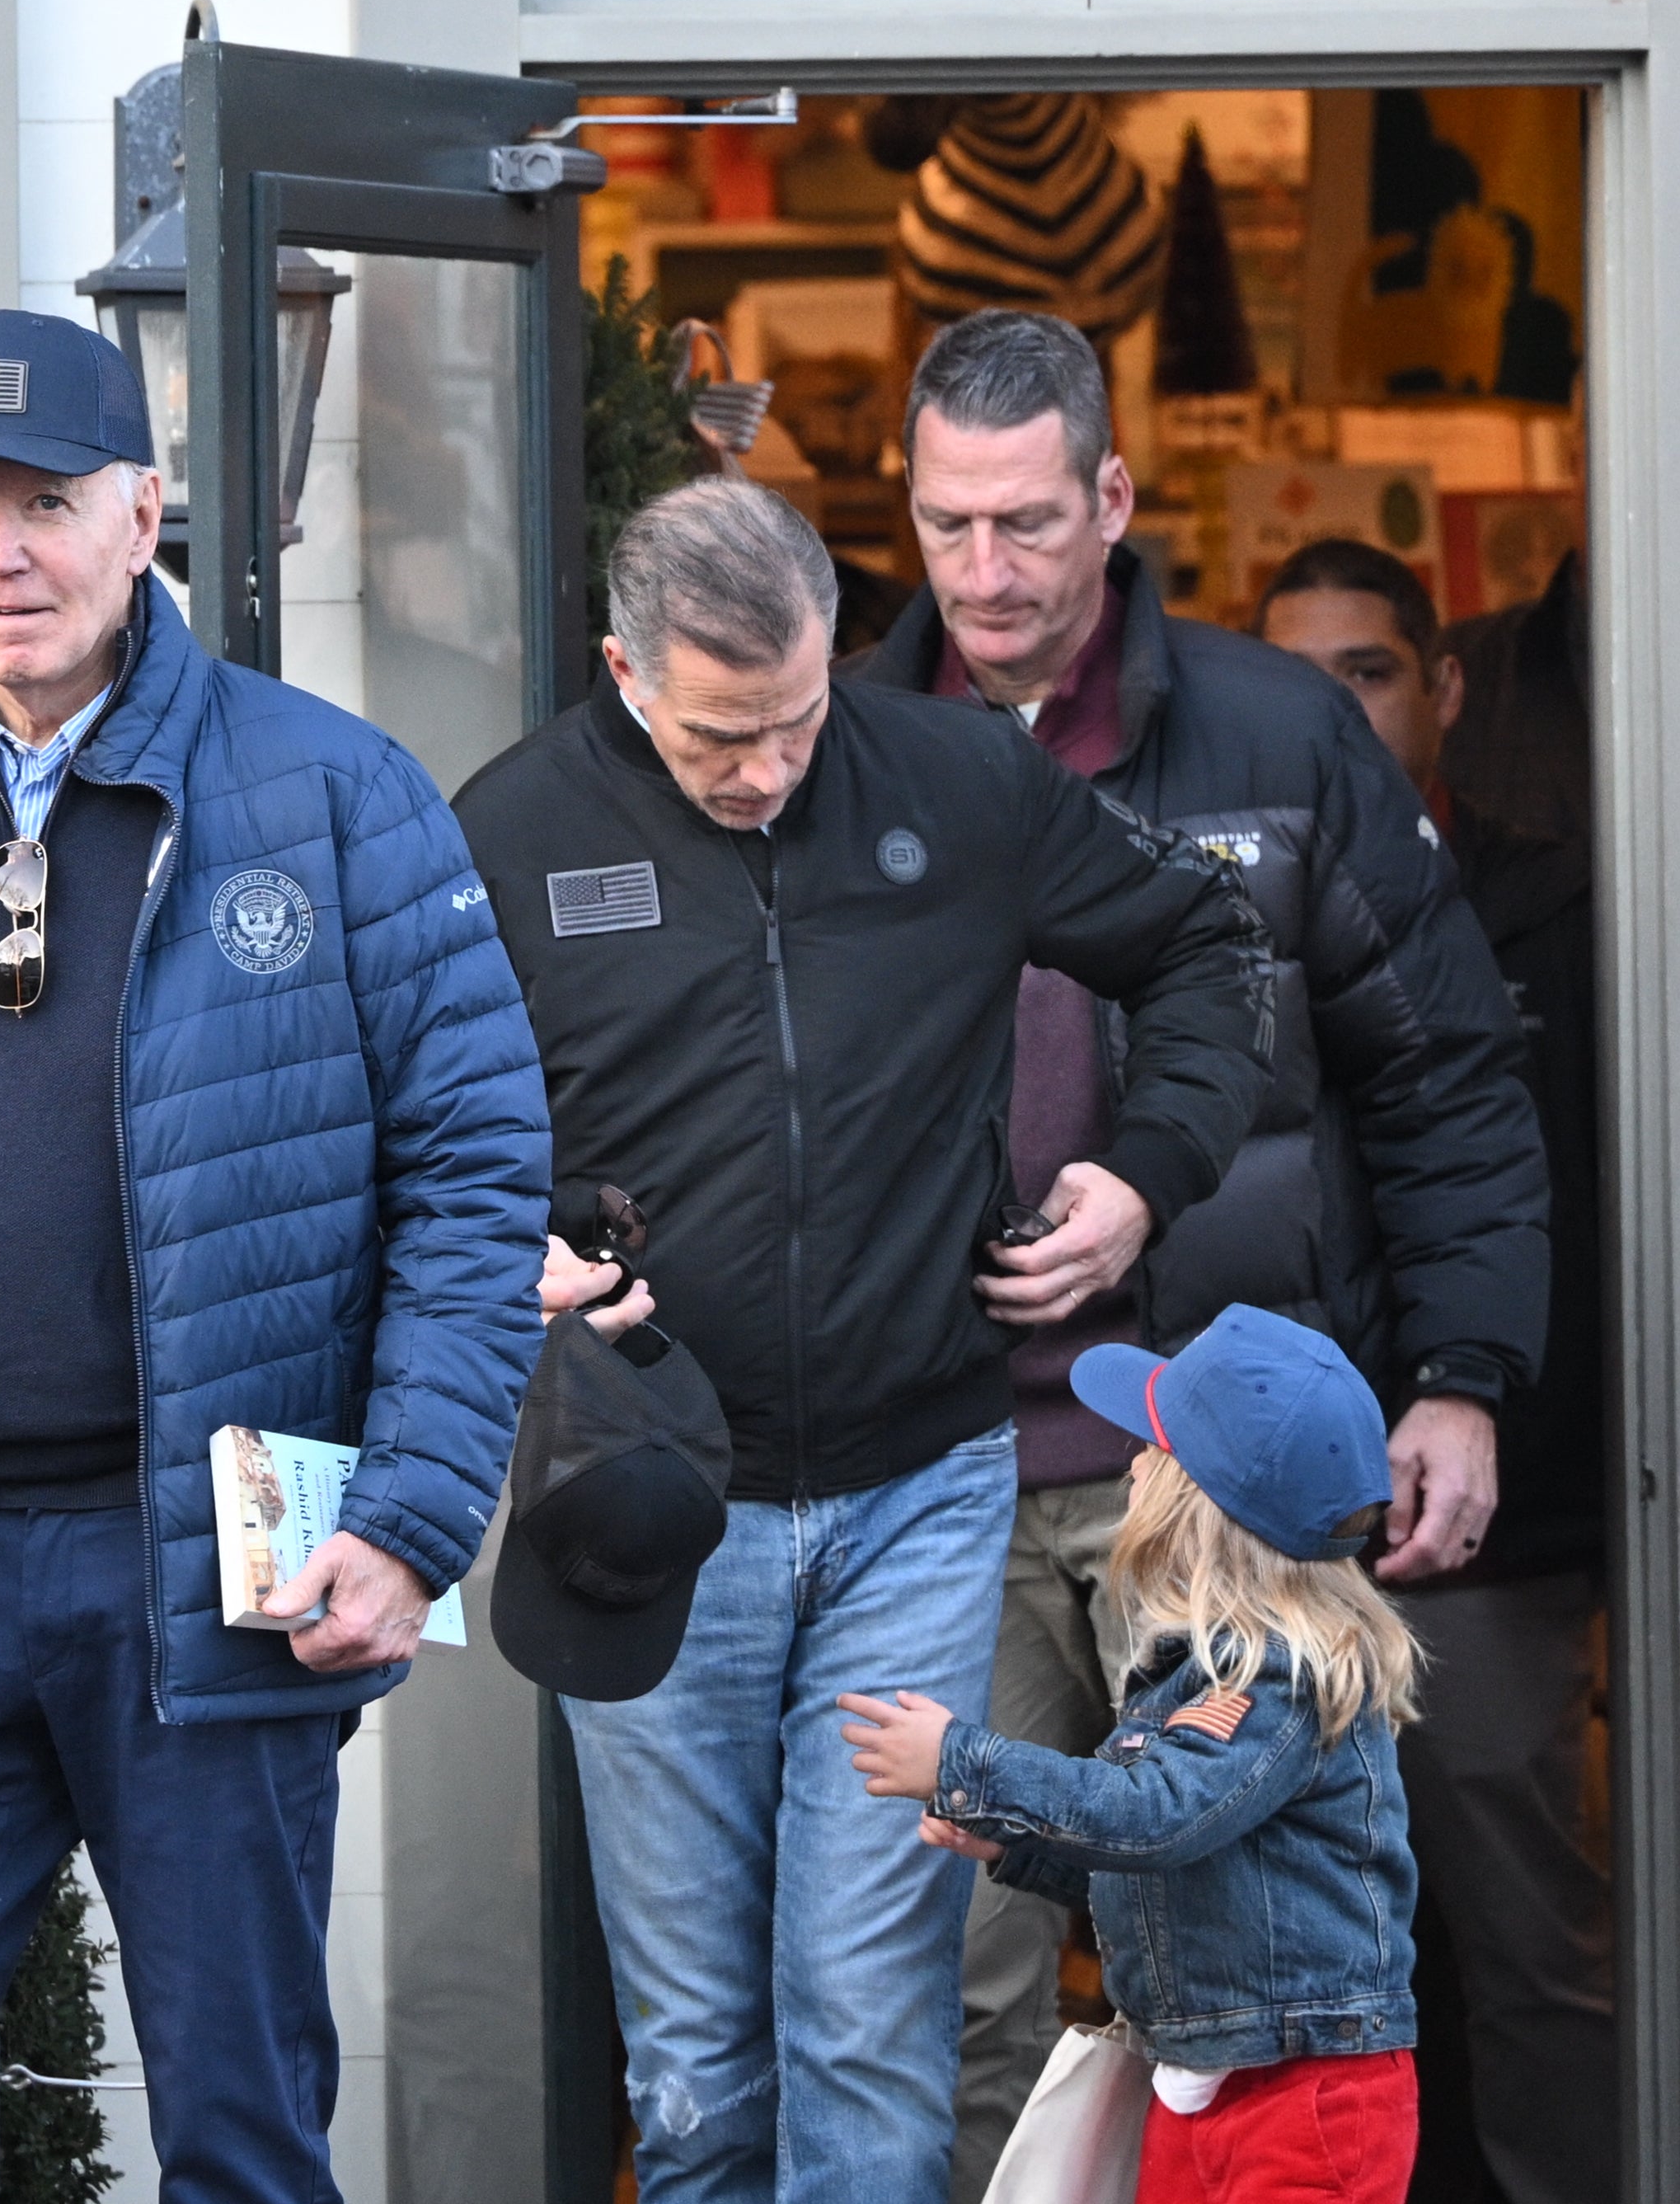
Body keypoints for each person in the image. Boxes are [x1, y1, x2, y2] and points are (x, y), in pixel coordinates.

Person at [0, 310, 549, 2204]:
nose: (3, 550)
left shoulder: (332, 793)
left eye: (48, 501)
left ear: (145, 511)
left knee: (238, 2125)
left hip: (211, 1570)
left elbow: (478, 1172)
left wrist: (410, 1514)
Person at [449, 477, 1273, 2204]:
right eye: (717, 736)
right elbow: (399, 1122)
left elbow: (1205, 939)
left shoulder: (959, 778)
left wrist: (1141, 1173)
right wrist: (496, 1241)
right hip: (646, 1500)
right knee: (690, 2065)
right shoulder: (511, 828)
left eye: (795, 720)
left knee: (868, 2027)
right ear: (619, 668)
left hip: (918, 1487)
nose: (763, 770)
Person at [856, 310, 1548, 2200]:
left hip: (1222, 1480)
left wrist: (1463, 1380)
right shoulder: (839, 744)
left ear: (1112, 498)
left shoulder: (1278, 736)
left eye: (1023, 524)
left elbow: (1445, 1075)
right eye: (943, 527)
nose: (984, 573)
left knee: (1265, 1963)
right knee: (969, 1975)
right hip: (943, 1475)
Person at [1255, 539, 1613, 2204]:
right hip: (1261, 1529)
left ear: (1442, 683)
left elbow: (1581, 1210)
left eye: (1368, 670)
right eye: (1295, 674)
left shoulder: (1562, 904)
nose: (1329, 710)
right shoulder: (1203, 898)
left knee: (1523, 1933)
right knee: (1290, 1957)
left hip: (1499, 1518)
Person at [844, 1303, 1426, 2204]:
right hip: (1208, 2075)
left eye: (1154, 1445)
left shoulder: (1273, 1680)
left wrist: (967, 1762)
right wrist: (1019, 1846)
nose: (1130, 1459)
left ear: (1201, 1503)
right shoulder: (1200, 1669)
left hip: (1305, 2095)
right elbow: (1184, 1881)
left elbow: (1157, 1817)